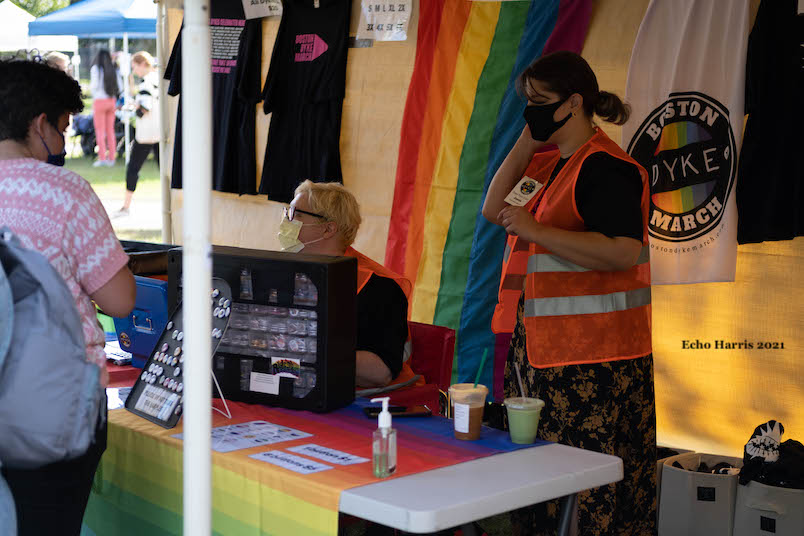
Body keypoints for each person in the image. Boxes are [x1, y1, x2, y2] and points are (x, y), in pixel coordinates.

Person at [482, 51, 655, 535]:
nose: (529, 109)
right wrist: (527, 136)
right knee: (536, 481)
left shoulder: (607, 168)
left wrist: (539, 231)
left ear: (574, 103)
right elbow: (495, 209)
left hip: (594, 363)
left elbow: (622, 251)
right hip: (538, 352)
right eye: (527, 101)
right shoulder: (546, 164)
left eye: (539, 101)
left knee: (586, 486)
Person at [0, 58, 136, 536]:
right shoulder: (64, 190)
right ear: (40, 125)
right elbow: (120, 300)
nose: (61, 144)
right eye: (60, 130)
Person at [280, 180, 422, 391]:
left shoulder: (381, 288)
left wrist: (307, 351)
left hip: (373, 402)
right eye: (286, 212)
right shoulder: (283, 272)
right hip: (305, 388)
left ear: (328, 229)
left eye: (295, 214)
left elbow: (380, 373)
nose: (286, 221)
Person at [116, 51, 160, 217]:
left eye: (135, 67)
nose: (134, 71)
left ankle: (126, 206)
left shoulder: (145, 84)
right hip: (159, 133)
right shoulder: (158, 78)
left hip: (146, 134)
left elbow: (144, 110)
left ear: (143, 64)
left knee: (133, 168)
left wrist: (134, 105)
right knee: (165, 170)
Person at [89, 49, 122, 167]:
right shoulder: (114, 68)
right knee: (110, 131)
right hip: (111, 101)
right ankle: (112, 158)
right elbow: (120, 86)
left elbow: (94, 86)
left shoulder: (96, 69)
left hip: (99, 101)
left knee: (100, 131)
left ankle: (102, 158)